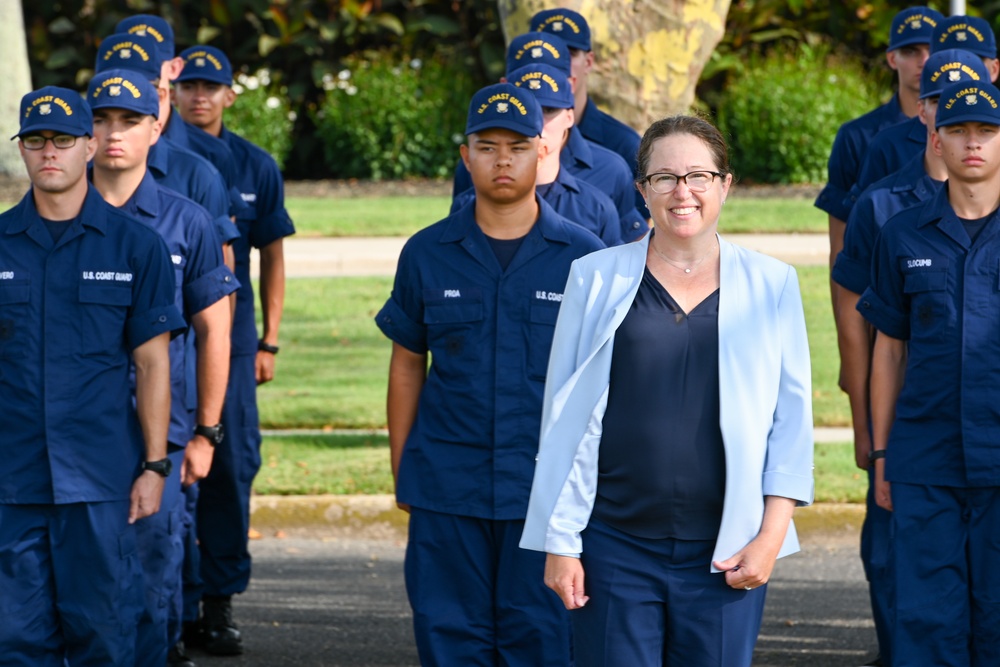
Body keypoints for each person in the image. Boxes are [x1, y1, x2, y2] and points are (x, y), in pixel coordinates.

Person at [520, 115, 814, 667]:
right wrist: (560, 542)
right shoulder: (594, 277)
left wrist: (772, 535)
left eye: (699, 176)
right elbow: (561, 419)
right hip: (615, 548)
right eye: (665, 178)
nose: (684, 192)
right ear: (642, 191)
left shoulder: (772, 283)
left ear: (725, 185)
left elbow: (791, 421)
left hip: (728, 550)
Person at [375, 82, 604, 665]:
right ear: (465, 155)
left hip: (545, 493)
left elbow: (601, 383)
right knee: (450, 639)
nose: (503, 160)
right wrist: (405, 466)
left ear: (542, 152)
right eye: (487, 145)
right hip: (448, 486)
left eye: (518, 145)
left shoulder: (583, 256)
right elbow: (407, 363)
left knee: (542, 642)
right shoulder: (427, 253)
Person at [0, 85, 185, 665]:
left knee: (105, 636)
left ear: (88, 147)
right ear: (23, 152)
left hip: (101, 481)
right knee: (14, 642)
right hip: (11, 481)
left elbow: (153, 363)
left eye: (62, 139)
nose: (48, 152)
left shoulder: (136, 246)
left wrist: (156, 465)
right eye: (35, 140)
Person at [832, 48, 988, 667]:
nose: (972, 141)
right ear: (932, 131)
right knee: (926, 618)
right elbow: (883, 345)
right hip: (925, 453)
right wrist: (878, 447)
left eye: (986, 129)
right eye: (956, 127)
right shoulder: (897, 224)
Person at [87, 68, 240, 667]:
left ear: (157, 128)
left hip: (165, 437)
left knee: (154, 586)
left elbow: (215, 330)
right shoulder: (56, 217)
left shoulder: (187, 221)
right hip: (77, 437)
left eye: (129, 121)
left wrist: (206, 433)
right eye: (100, 120)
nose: (113, 134)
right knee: (81, 588)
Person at [172, 44, 296, 656]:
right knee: (170, 462)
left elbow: (271, 252)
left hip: (234, 338)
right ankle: (176, 597)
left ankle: (218, 598)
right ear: (172, 89)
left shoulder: (254, 164)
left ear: (228, 94)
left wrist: (269, 338)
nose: (199, 96)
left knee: (230, 463)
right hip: (168, 337)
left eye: (210, 86)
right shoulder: (154, 158)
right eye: (189, 85)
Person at [452, 31, 646, 241]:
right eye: (528, 109)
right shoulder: (470, 189)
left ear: (569, 116)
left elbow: (630, 254)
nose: (538, 122)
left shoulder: (605, 186)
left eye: (549, 110)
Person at [818, 6, 940, 325]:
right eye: (911, 50)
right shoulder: (858, 136)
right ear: (891, 59)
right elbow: (842, 248)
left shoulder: (977, 143)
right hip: (879, 309)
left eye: (933, 50)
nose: (924, 60)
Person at [850, 15, 1000, 199]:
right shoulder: (880, 197)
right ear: (922, 110)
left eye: (986, 131)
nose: (951, 111)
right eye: (940, 101)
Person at [530, 7, 645, 216]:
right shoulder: (492, 150)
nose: (558, 63)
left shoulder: (624, 146)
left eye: (568, 53)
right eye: (546, 52)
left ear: (589, 61)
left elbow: (638, 241)